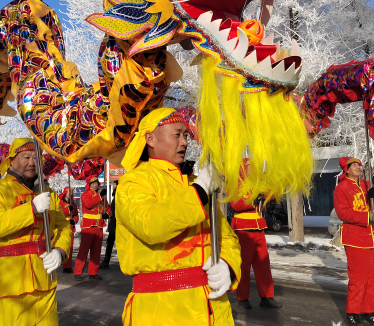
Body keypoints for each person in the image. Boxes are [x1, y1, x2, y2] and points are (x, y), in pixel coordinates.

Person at [116, 108, 241, 325]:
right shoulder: (133, 183)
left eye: (186, 135)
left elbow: (225, 236)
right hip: (162, 311)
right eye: (177, 134)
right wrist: (199, 192)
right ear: (150, 139)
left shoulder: (193, 184)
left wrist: (229, 266)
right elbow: (151, 225)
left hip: (212, 307)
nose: (184, 142)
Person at [0, 137, 72, 326]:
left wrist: (60, 251)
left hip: (43, 280)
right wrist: (30, 209)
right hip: (7, 282)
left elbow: (63, 227)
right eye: (26, 157)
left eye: (36, 157)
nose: (31, 162)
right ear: (12, 160)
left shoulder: (49, 193)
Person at [334, 157, 374, 326]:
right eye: (354, 165)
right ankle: (353, 312)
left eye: (359, 164)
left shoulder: (366, 184)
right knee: (358, 277)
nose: (358, 167)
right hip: (355, 237)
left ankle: (369, 311)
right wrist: (367, 217)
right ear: (346, 170)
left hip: (372, 236)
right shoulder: (341, 189)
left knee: (372, 277)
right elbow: (343, 213)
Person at [229, 161, 281, 310]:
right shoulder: (235, 183)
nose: (255, 169)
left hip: (259, 227)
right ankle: (242, 298)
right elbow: (235, 205)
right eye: (252, 166)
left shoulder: (258, 183)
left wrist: (277, 179)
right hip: (243, 229)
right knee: (244, 266)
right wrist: (253, 200)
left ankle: (266, 297)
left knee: (263, 266)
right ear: (245, 168)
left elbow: (273, 194)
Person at [74, 176, 106, 280]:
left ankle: (93, 272)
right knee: (84, 250)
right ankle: (78, 272)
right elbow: (88, 204)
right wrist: (100, 197)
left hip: (99, 225)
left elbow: (107, 207)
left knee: (97, 251)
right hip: (88, 225)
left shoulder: (101, 195)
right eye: (93, 183)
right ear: (89, 185)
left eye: (96, 182)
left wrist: (107, 214)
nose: (95, 185)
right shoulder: (85, 194)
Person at [58, 187, 78, 273]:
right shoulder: (59, 202)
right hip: (62, 226)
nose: (70, 193)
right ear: (65, 192)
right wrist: (67, 210)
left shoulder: (73, 203)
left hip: (71, 227)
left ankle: (67, 266)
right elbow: (59, 212)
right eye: (69, 192)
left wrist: (75, 221)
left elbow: (76, 214)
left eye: (72, 192)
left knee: (70, 247)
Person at [99, 183, 116, 269]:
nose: (113, 187)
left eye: (115, 185)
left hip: (118, 223)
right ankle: (106, 260)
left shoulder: (120, 196)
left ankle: (106, 260)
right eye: (113, 185)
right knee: (110, 242)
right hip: (114, 222)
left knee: (113, 242)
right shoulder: (115, 196)